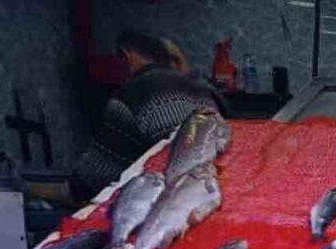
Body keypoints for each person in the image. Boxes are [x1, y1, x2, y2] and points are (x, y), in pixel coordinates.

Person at [69, 32, 224, 203]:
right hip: (214, 180)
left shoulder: (131, 94)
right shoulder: (201, 87)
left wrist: (71, 188)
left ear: (128, 56)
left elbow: (96, 177)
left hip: (172, 191)